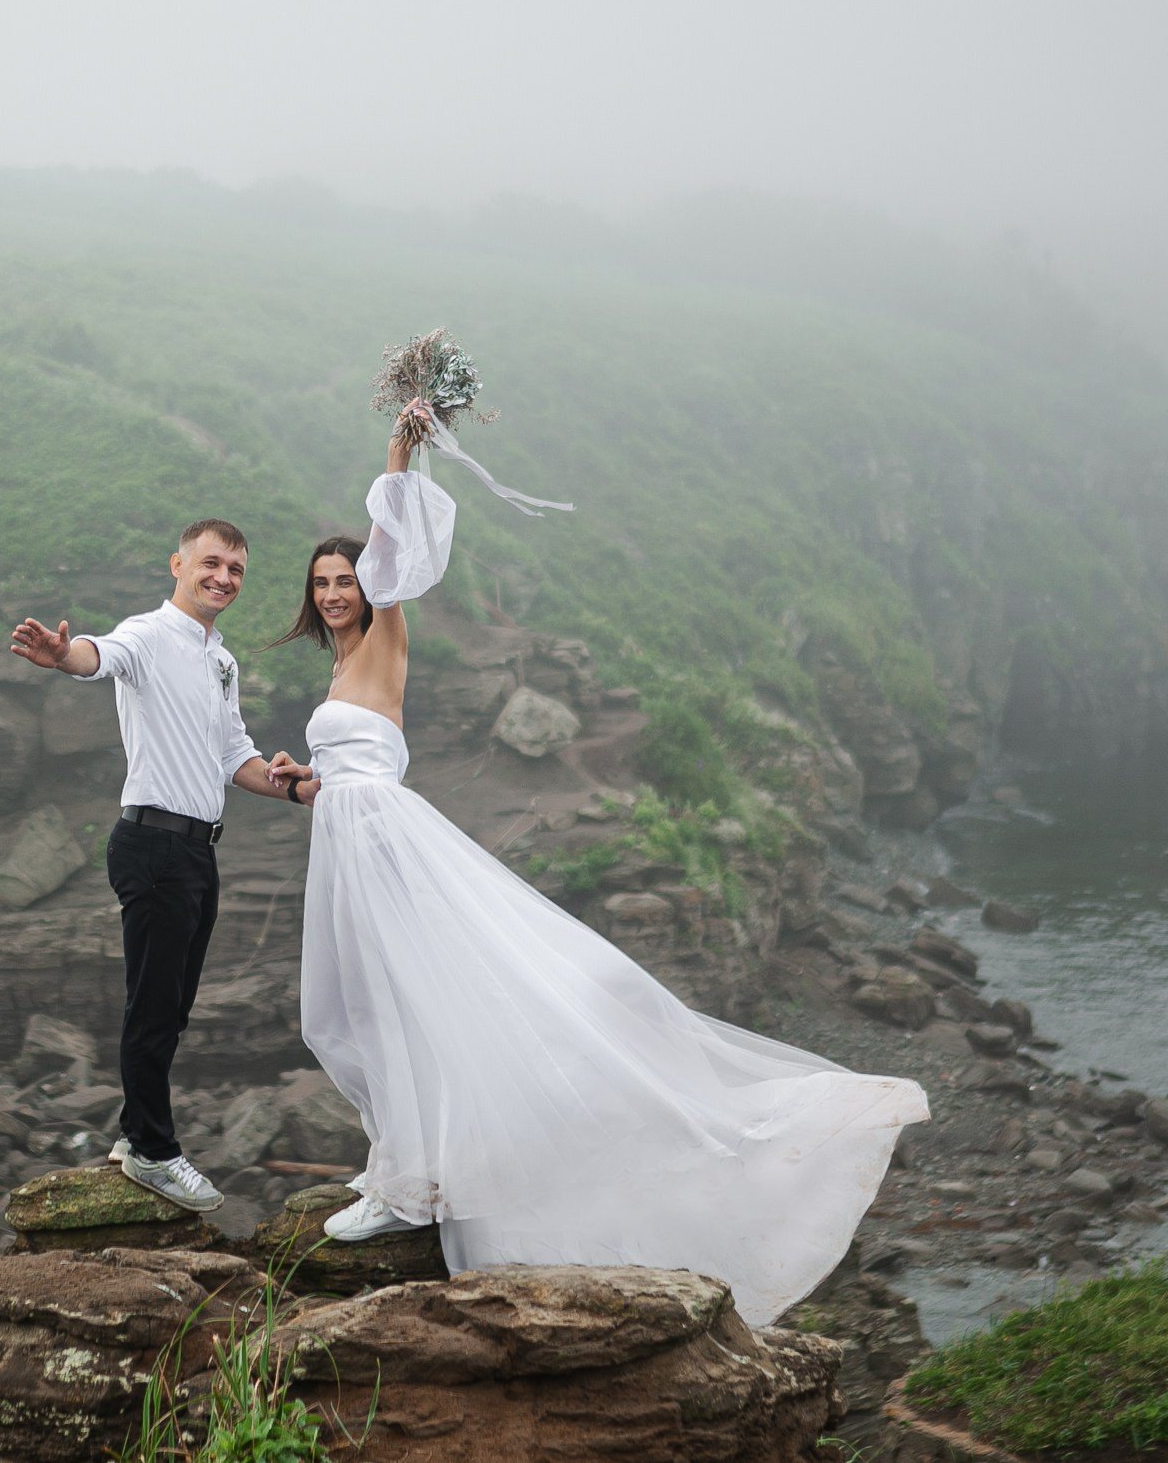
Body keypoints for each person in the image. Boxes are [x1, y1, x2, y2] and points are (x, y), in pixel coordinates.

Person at [260, 400, 929, 1327]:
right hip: (349, 831)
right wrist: (304, 781)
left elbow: (395, 545)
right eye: (323, 581)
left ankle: (410, 1183)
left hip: (385, 843)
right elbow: (351, 765)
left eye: (345, 579)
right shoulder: (337, 669)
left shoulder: (386, 633)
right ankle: (402, 1167)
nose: (337, 591)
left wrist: (400, 450)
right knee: (361, 1003)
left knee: (405, 997)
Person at [9, 517, 314, 1213]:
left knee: (171, 1008)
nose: (223, 578)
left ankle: (133, 1138)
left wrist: (301, 787)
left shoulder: (221, 658)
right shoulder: (147, 634)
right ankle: (152, 1148)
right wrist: (64, 654)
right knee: (152, 1004)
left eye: (235, 569)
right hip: (150, 844)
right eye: (211, 563)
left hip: (198, 849)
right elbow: (98, 655)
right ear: (177, 563)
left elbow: (235, 754)